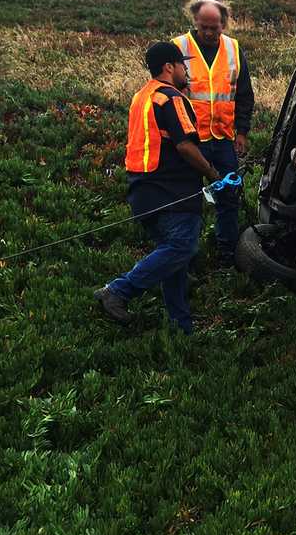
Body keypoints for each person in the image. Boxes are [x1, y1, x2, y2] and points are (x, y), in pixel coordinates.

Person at [94, 42, 222, 335]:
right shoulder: (171, 98)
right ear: (169, 67)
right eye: (183, 65)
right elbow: (185, 146)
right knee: (182, 246)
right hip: (172, 192)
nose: (186, 70)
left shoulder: (143, 97)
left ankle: (181, 326)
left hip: (143, 191)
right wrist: (213, 174)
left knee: (173, 261)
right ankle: (118, 291)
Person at [173, 0, 255, 266]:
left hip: (223, 139)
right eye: (203, 27)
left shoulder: (233, 48)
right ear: (194, 22)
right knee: (188, 200)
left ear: (224, 24)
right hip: (191, 141)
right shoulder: (178, 47)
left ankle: (226, 253)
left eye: (214, 28)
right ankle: (186, 253)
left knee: (229, 196)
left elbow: (244, 95)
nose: (208, 33)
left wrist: (241, 133)